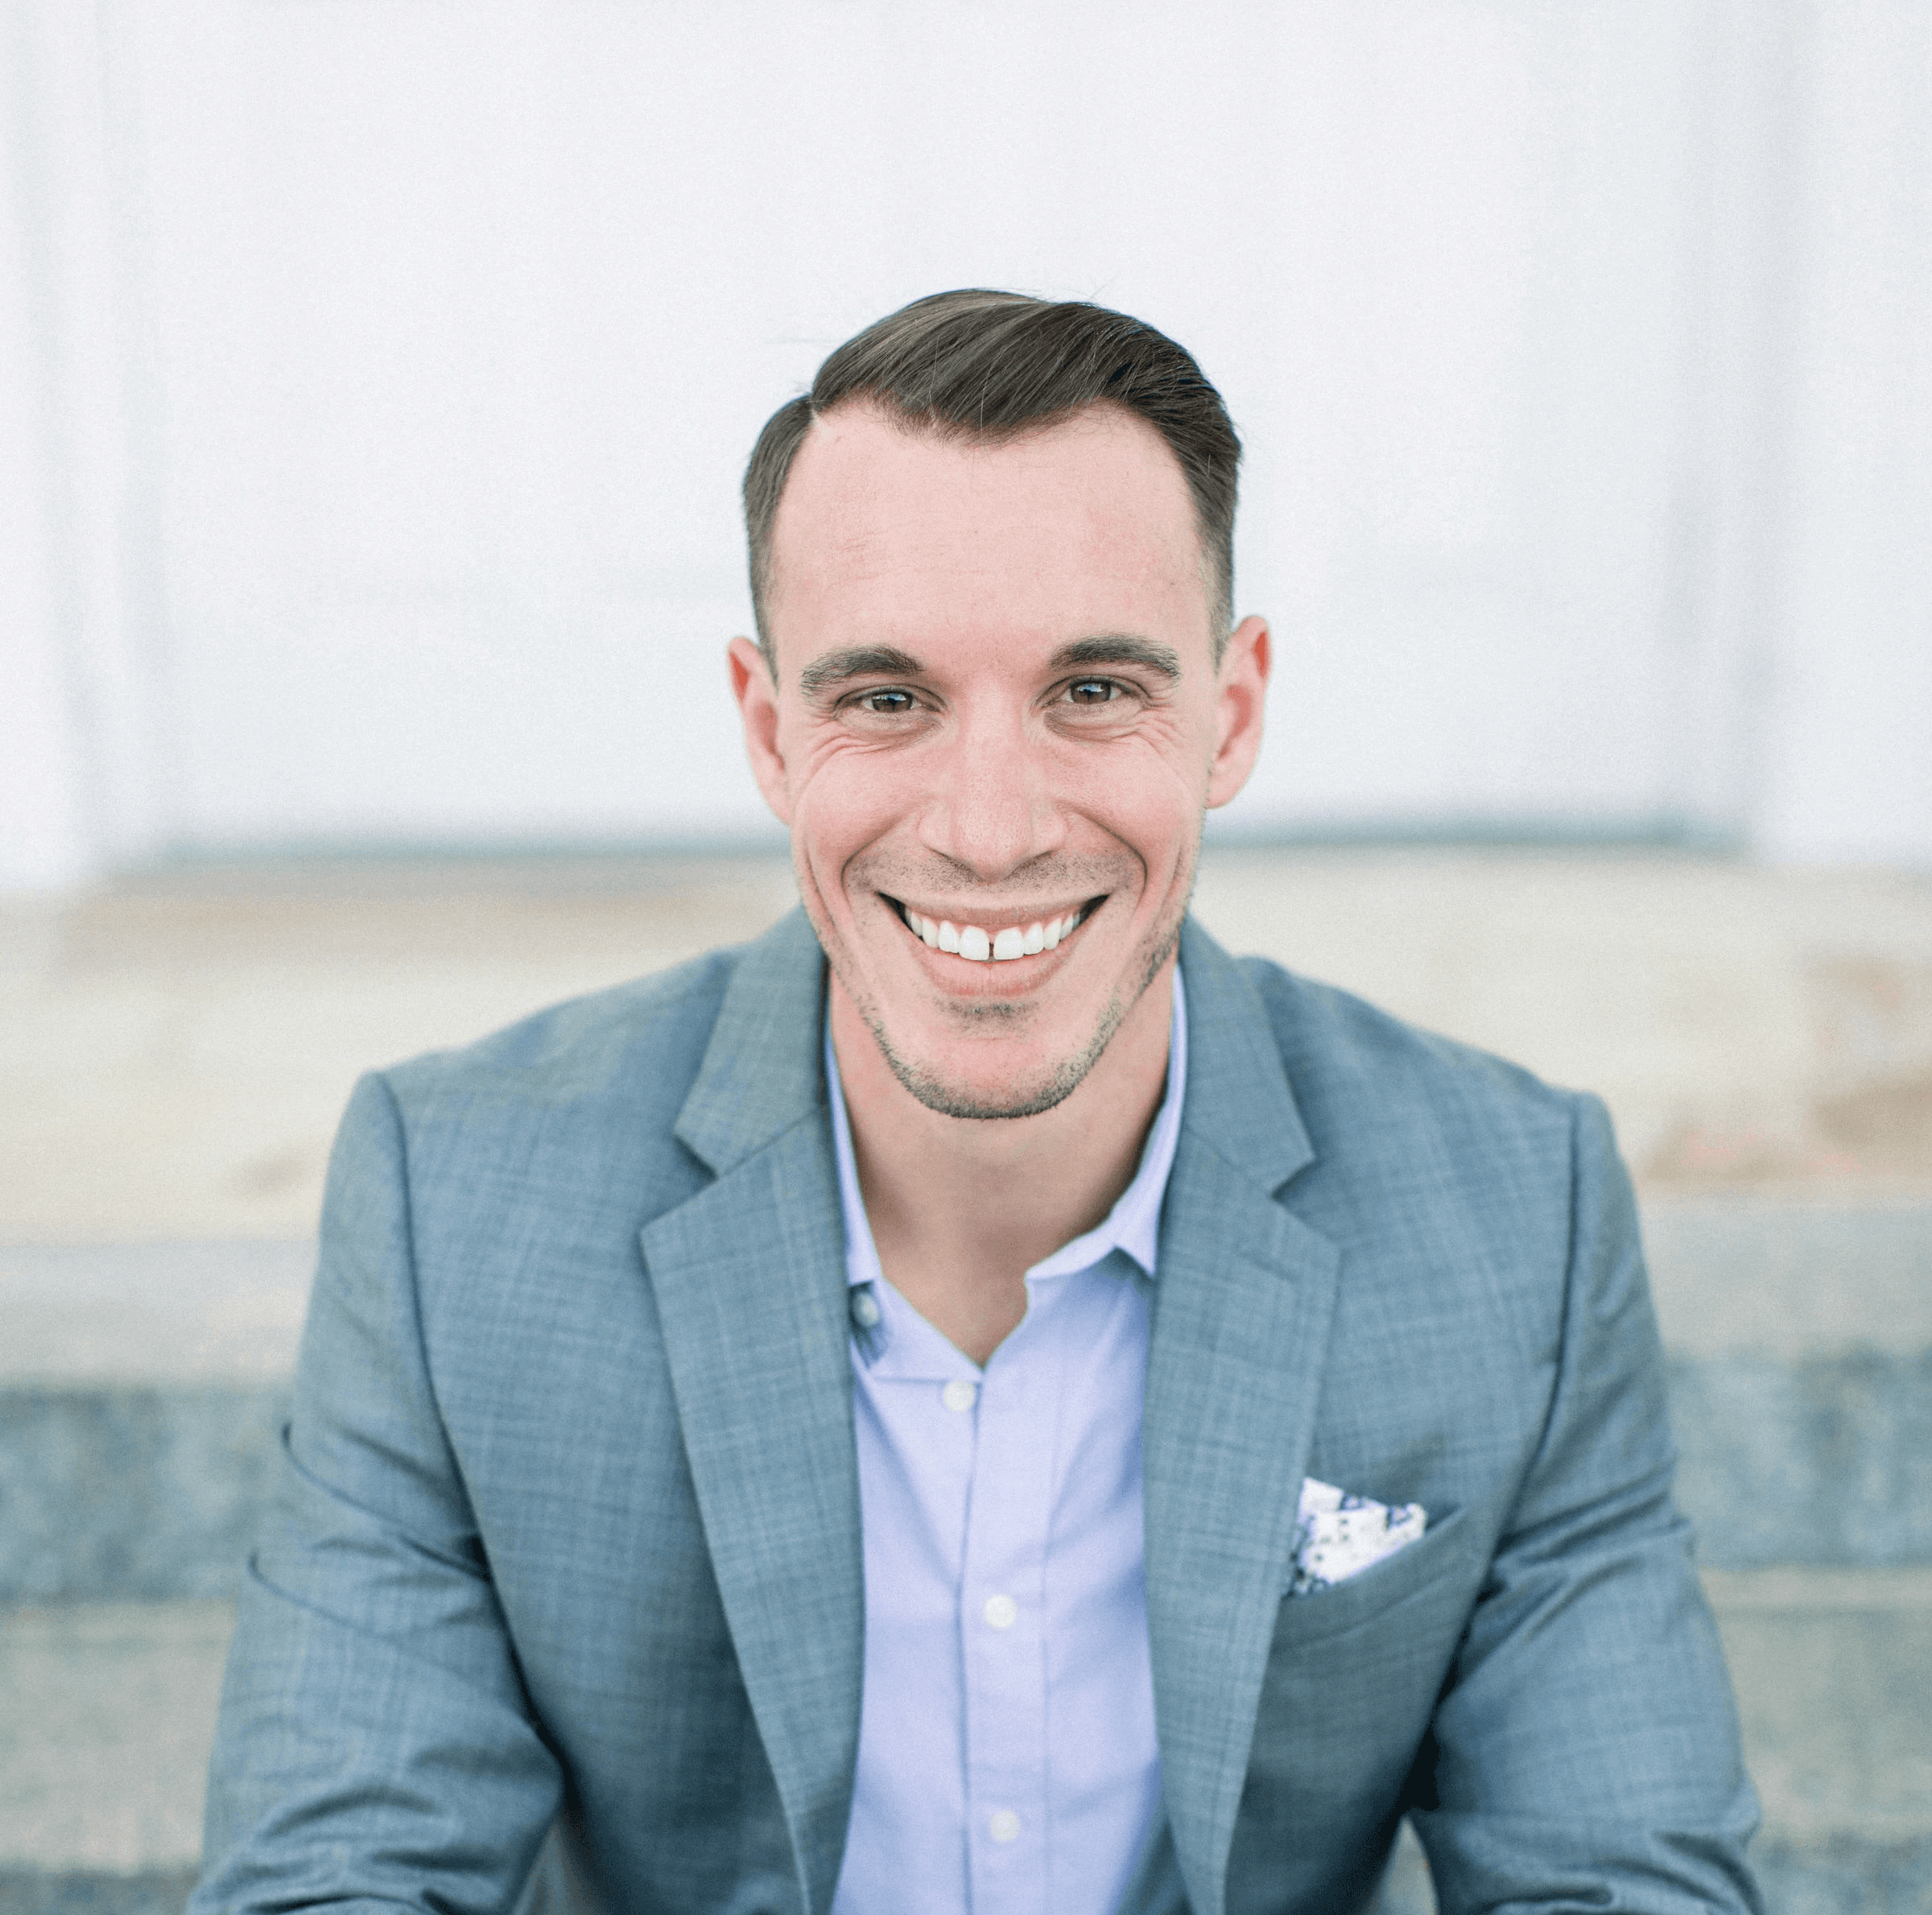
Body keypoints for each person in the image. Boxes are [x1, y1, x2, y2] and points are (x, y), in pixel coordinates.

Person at [192, 291, 1761, 1915]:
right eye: (887, 698)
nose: (992, 828)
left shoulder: (1519, 1209)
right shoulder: (455, 1208)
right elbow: (334, 1875)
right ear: (767, 727)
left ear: (1229, 713)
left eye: (1093, 691)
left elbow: (1624, 1874)